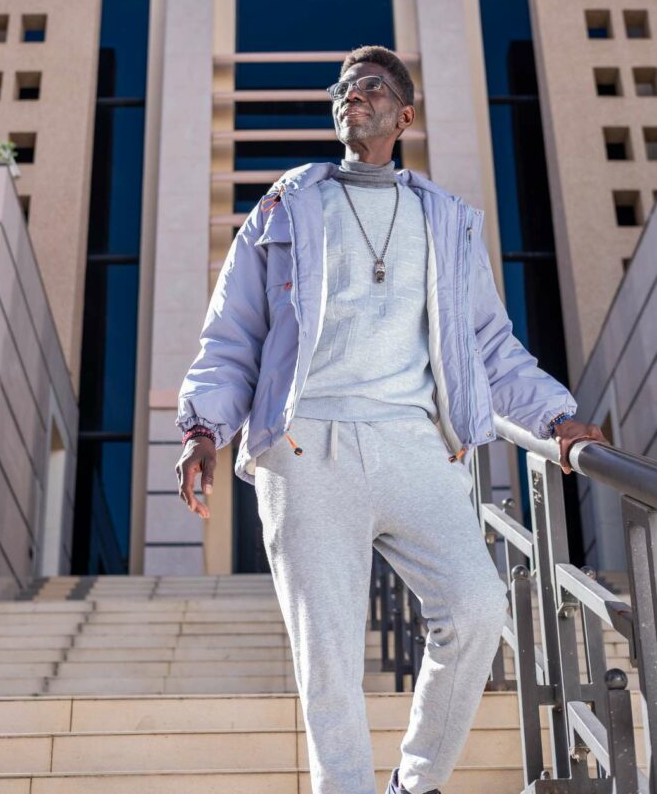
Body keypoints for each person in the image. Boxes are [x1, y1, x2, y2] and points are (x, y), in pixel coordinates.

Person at [175, 45, 606, 794]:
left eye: (371, 86)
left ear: (404, 115)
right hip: (305, 445)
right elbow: (233, 334)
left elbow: (486, 345)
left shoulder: (442, 218)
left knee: (475, 609)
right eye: (344, 88)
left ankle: (415, 783)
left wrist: (556, 417)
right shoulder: (287, 203)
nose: (354, 95)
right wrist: (202, 427)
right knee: (328, 655)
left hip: (417, 446)